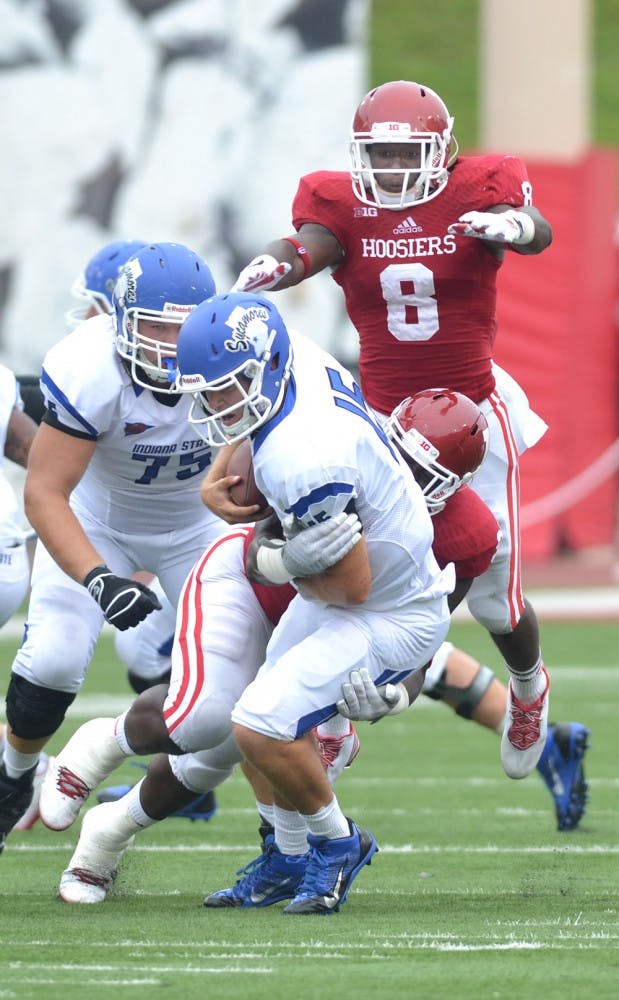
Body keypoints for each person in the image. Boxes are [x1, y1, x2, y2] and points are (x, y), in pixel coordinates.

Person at [42, 291, 455, 913]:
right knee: (239, 722)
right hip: (318, 590)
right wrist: (257, 529)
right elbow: (245, 460)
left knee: (256, 722)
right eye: (206, 390)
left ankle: (336, 844)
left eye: (226, 389)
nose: (211, 407)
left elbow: (353, 587)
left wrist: (277, 560)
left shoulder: (304, 455)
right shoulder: (295, 362)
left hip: (371, 607)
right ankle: (287, 855)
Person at [231, 79, 554, 782]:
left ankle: (527, 690)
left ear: (442, 152)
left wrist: (513, 226)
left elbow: (535, 229)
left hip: (470, 414)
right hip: (378, 419)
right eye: (378, 155)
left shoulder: (479, 188)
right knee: (344, 563)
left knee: (496, 597)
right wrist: (275, 264)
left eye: (407, 154)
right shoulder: (339, 202)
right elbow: (306, 244)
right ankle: (334, 720)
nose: (392, 168)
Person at [0, 241, 226, 855]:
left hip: (203, 523)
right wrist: (98, 577)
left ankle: (285, 836)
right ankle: (15, 774)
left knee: (233, 694)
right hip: (96, 519)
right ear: (120, 319)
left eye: (185, 328)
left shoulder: (233, 356)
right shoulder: (89, 364)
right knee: (51, 658)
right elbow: (45, 491)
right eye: (156, 325)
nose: (169, 345)